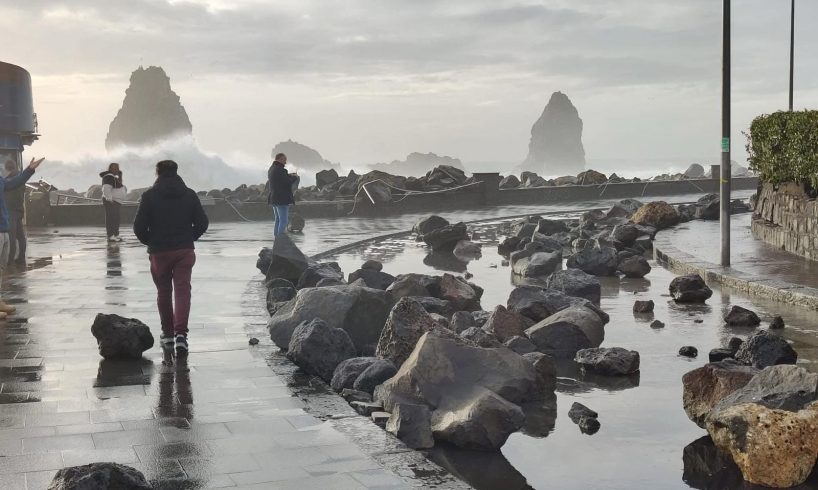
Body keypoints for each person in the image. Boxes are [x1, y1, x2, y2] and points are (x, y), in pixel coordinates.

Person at [133, 160, 208, 356]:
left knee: (164, 292)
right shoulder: (189, 194)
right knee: (183, 291)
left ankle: (168, 334)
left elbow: (138, 227)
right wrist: (190, 237)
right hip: (184, 250)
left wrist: (151, 241)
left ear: (157, 173)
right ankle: (181, 335)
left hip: (159, 252)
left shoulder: (149, 196)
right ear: (176, 172)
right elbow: (202, 222)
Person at [0, 157, 44, 319]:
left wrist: (29, 170)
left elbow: (14, 183)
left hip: (3, 228)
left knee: (1, 268)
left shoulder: (1, 180)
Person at [267, 153, 298, 237]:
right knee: (284, 221)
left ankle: (276, 240)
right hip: (281, 199)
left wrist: (289, 175)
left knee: (278, 220)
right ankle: (280, 240)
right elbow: (287, 183)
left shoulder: (271, 169)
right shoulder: (281, 170)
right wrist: (294, 177)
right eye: (284, 160)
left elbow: (279, 179)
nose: (285, 162)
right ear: (280, 159)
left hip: (274, 197)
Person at [4, 160, 26, 266]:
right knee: (20, 236)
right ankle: (21, 257)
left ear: (7, 168)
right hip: (19, 209)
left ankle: (10, 260)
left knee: (11, 237)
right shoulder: (20, 178)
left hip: (11, 211)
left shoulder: (8, 180)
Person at [100, 163, 126, 242]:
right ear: (110, 169)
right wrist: (109, 199)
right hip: (111, 201)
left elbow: (120, 185)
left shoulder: (113, 177)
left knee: (116, 218)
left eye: (117, 168)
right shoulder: (108, 177)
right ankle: (110, 235)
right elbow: (106, 188)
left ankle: (116, 234)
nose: (117, 170)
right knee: (111, 218)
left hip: (116, 201)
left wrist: (120, 175)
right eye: (114, 168)